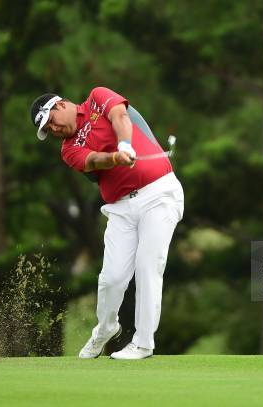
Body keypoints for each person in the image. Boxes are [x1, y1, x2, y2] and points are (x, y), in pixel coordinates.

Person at [30, 87, 184, 360]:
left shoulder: (96, 97)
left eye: (51, 121)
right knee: (111, 278)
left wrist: (125, 144)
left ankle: (143, 343)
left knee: (148, 265)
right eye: (48, 129)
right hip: (121, 209)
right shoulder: (68, 149)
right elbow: (91, 160)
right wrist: (115, 157)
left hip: (159, 194)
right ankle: (106, 328)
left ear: (61, 105)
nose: (53, 129)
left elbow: (120, 117)